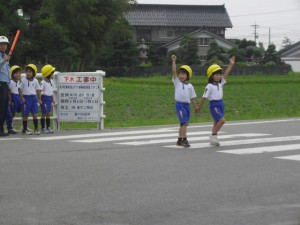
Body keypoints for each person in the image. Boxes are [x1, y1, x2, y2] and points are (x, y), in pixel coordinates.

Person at [196, 56, 235, 146]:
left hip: (221, 103)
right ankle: (213, 135)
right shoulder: (209, 86)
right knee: (222, 121)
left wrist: (231, 65)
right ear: (211, 75)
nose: (219, 76)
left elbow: (226, 74)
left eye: (219, 74)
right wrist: (199, 108)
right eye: (216, 74)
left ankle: (214, 139)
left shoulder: (220, 83)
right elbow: (204, 97)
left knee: (216, 122)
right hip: (214, 105)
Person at [171, 55, 197, 148]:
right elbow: (174, 71)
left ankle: (179, 140)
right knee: (184, 122)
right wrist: (174, 61)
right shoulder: (177, 82)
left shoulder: (190, 86)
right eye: (180, 74)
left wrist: (196, 107)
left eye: (183, 74)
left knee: (183, 123)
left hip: (187, 106)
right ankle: (184, 140)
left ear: (187, 76)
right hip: (180, 105)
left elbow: (192, 98)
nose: (181, 76)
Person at [18, 64, 41, 135]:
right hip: (26, 98)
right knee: (25, 115)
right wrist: (22, 98)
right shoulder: (23, 80)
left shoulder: (36, 81)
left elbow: (38, 90)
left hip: (33, 98)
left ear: (34, 73)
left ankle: (36, 129)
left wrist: (39, 99)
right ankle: (24, 130)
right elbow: (19, 89)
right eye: (27, 71)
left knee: (35, 114)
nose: (28, 73)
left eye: (30, 72)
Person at [39, 64, 56, 134]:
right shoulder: (43, 82)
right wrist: (39, 99)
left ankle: (48, 127)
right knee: (44, 113)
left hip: (49, 98)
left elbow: (51, 91)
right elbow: (40, 91)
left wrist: (53, 99)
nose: (53, 74)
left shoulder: (51, 81)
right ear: (48, 73)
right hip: (44, 98)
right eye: (52, 73)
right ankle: (43, 128)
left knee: (48, 113)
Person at [5, 65, 22, 134]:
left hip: (19, 98)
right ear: (12, 74)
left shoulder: (19, 82)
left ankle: (24, 126)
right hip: (13, 97)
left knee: (22, 112)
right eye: (16, 73)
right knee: (11, 113)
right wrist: (10, 100)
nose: (18, 74)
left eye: (19, 73)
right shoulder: (11, 82)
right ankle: (10, 127)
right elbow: (9, 92)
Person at [0, 36, 11, 136]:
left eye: (5, 44)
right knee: (1, 107)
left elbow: (7, 72)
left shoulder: (5, 56)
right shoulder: (4, 58)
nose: (3, 46)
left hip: (5, 85)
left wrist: (9, 85)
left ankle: (1, 129)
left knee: (4, 107)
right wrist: (4, 60)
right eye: (1, 44)